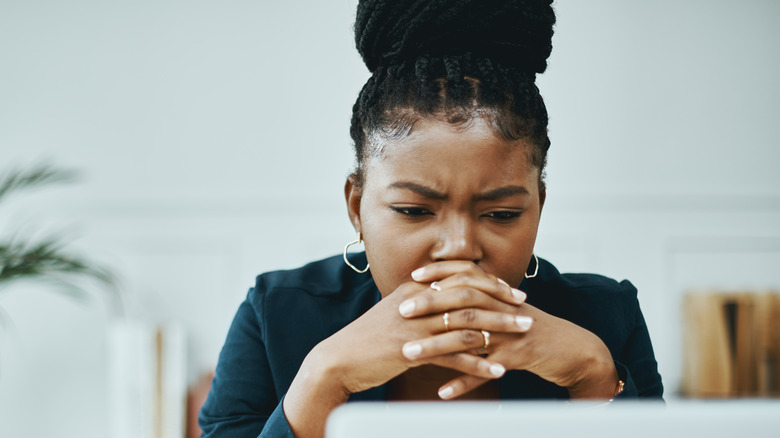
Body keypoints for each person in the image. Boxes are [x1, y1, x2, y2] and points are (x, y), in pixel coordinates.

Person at [199, 0, 663, 436]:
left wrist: (593, 379)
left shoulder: (606, 319)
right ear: (356, 206)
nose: (459, 247)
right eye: (414, 210)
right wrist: (324, 379)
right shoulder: (275, 315)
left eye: (501, 213)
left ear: (538, 209)